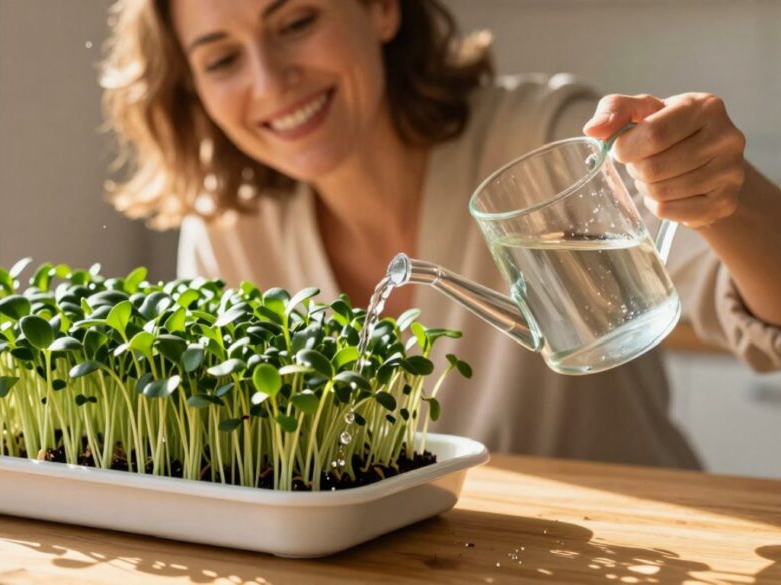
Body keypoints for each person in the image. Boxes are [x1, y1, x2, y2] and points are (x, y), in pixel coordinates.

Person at [99, 0, 781, 468]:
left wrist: (732, 191)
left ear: (382, 7)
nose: (271, 80)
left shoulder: (544, 140)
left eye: (297, 21)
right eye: (221, 61)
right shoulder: (229, 231)